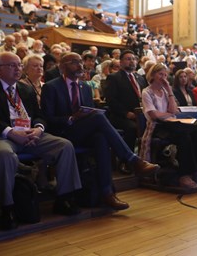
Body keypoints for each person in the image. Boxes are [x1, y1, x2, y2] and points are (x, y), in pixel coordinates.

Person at [0, 52, 83, 230]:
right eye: (12, 65)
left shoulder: (25, 89)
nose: (18, 69)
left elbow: (39, 115)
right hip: (2, 136)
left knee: (64, 145)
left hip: (30, 134)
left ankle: (64, 197)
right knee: (4, 155)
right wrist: (10, 132)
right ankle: (8, 207)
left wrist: (38, 129)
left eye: (19, 65)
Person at [41, 53, 159, 210]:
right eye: (74, 62)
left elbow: (89, 111)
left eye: (81, 62)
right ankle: (132, 160)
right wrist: (71, 118)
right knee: (97, 119)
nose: (80, 66)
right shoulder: (51, 87)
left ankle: (107, 193)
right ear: (62, 67)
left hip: (83, 132)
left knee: (101, 138)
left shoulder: (85, 87)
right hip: (62, 133)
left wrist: (84, 115)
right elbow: (48, 119)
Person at [140, 64, 197, 188]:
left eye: (165, 75)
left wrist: (169, 90)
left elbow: (174, 111)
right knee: (184, 136)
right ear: (152, 75)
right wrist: (167, 114)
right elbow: (154, 115)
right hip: (157, 127)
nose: (163, 77)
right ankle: (185, 175)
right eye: (160, 74)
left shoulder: (166, 92)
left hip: (172, 125)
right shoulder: (147, 92)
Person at [103, 50, 147, 171]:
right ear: (121, 62)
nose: (131, 61)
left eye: (133, 59)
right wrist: (126, 113)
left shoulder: (140, 78)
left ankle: (148, 159)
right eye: (128, 59)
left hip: (141, 114)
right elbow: (111, 100)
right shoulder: (114, 77)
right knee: (132, 128)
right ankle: (126, 161)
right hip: (120, 116)